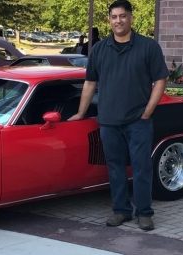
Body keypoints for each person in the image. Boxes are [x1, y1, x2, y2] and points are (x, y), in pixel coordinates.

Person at [68, 0, 169, 231]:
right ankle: (121, 210)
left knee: (142, 167)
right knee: (115, 168)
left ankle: (144, 213)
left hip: (138, 121)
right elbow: (90, 82)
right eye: (114, 17)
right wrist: (81, 113)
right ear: (109, 20)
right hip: (109, 121)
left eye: (123, 16)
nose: (118, 21)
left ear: (130, 18)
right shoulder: (99, 50)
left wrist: (148, 111)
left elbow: (160, 79)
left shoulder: (148, 47)